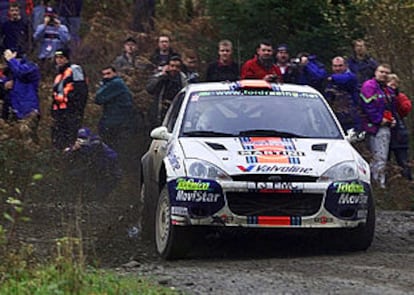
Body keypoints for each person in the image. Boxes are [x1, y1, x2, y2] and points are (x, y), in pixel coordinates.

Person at [360, 64, 396, 188]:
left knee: (381, 156)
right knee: (376, 157)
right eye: (381, 72)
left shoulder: (387, 90)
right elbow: (367, 106)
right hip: (372, 127)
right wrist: (379, 120)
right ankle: (376, 184)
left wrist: (393, 119)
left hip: (384, 127)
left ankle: (378, 183)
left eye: (386, 72)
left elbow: (390, 107)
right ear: (376, 72)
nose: (384, 74)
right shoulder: (369, 86)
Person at [64, 127, 122, 199]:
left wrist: (79, 147)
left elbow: (91, 149)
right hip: (95, 169)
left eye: (84, 138)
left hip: (109, 172)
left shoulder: (96, 142)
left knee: (99, 194)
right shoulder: (84, 145)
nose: (81, 140)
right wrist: (72, 149)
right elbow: (67, 154)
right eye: (80, 138)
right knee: (73, 175)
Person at [95, 66, 135, 163]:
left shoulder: (116, 83)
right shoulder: (114, 84)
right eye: (104, 74)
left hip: (118, 123)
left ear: (115, 73)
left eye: (109, 73)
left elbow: (98, 98)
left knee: (115, 149)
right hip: (115, 121)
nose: (106, 76)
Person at [51, 48, 88, 149]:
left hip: (71, 112)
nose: (59, 60)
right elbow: (55, 94)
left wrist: (77, 109)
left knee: (71, 140)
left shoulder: (74, 69)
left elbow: (81, 90)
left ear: (67, 58)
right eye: (57, 58)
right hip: (60, 112)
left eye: (61, 57)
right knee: (59, 140)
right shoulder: (58, 74)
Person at [3, 48, 40, 144]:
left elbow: (20, 71)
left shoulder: (31, 67)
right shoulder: (9, 71)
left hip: (28, 111)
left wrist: (11, 60)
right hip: (12, 111)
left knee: (28, 140)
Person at [146, 55, 187, 128]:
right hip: (160, 111)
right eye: (172, 66)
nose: (174, 69)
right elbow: (150, 89)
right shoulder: (159, 76)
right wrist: (162, 76)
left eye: (177, 67)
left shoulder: (183, 79)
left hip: (176, 110)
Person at [325, 56, 361, 132]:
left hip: (350, 120)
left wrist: (331, 78)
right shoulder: (329, 82)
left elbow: (344, 80)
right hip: (334, 118)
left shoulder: (351, 77)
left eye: (340, 66)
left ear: (346, 66)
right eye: (335, 66)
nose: (337, 68)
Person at [387, 74, 412, 181]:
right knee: (384, 160)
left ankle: (407, 181)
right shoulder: (381, 96)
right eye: (390, 83)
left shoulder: (400, 97)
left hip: (399, 133)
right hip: (387, 130)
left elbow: (406, 107)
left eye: (395, 84)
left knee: (403, 161)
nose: (393, 86)